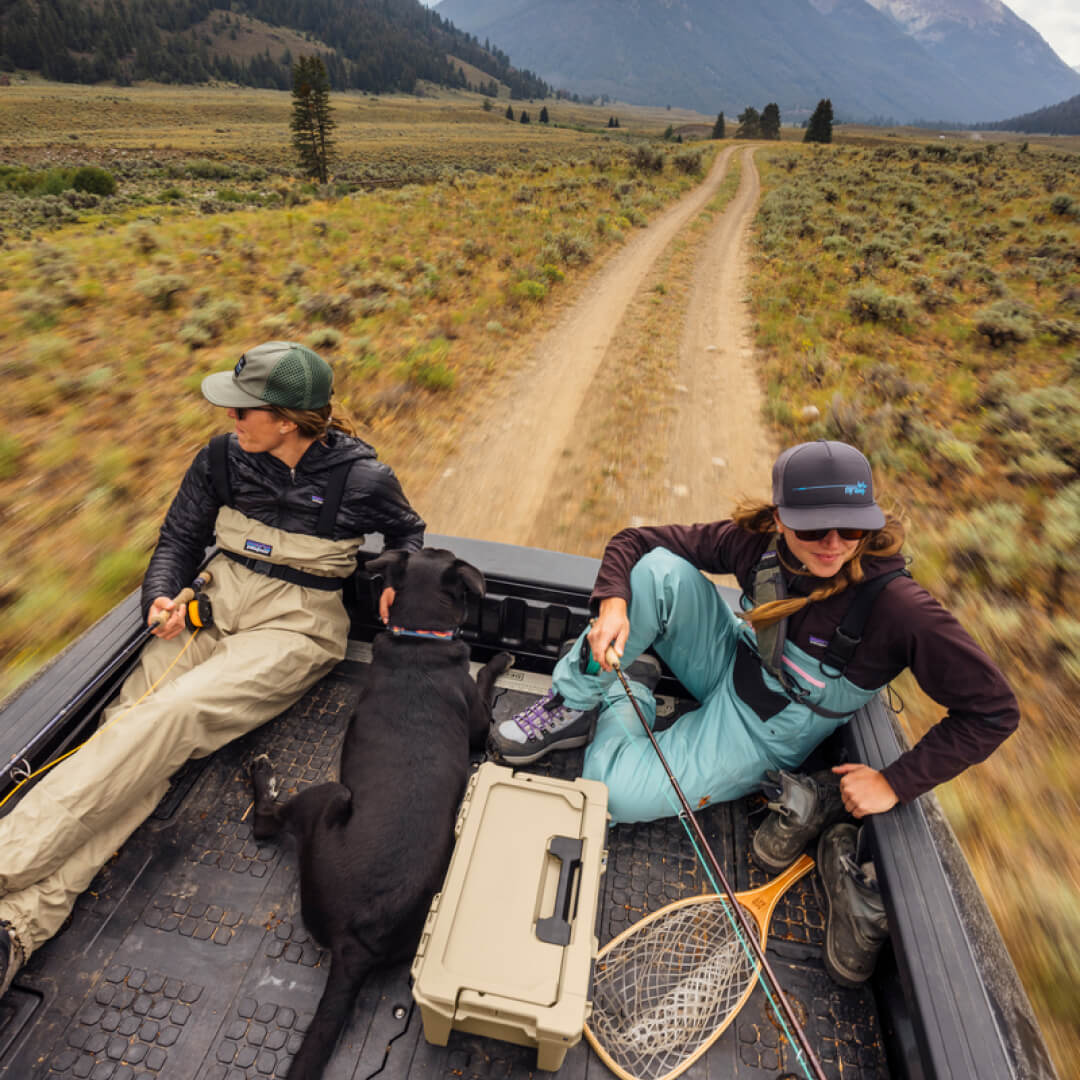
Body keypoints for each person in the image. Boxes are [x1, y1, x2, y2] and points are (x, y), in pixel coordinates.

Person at [489, 439, 1019, 983]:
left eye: (852, 528)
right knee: (656, 573)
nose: (833, 545)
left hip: (759, 734)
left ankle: (630, 691)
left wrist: (896, 782)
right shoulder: (759, 545)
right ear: (780, 518)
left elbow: (993, 710)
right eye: (813, 529)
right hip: (729, 657)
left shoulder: (900, 610)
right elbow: (635, 541)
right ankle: (571, 701)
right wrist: (615, 603)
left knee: (608, 794)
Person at [0, 341, 425, 997]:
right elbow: (177, 538)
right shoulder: (222, 459)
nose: (229, 419)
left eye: (242, 409)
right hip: (214, 599)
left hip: (297, 622)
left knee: (170, 716)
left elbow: (408, 533)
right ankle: (16, 930)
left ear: (286, 419)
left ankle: (8, 862)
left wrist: (400, 577)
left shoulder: (363, 478)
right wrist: (163, 598)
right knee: (134, 740)